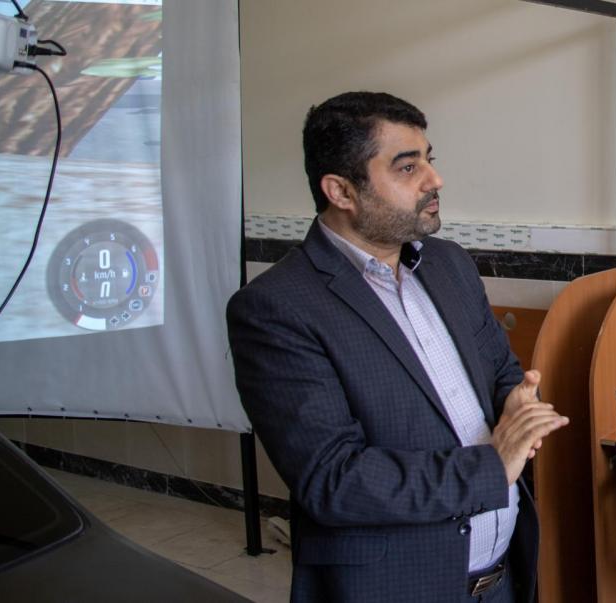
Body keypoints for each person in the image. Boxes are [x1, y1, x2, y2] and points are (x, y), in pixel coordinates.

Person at [227, 91, 568, 603]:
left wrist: (517, 403)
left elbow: (500, 370)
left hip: (503, 578)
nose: (435, 180)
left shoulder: (449, 264)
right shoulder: (276, 308)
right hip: (398, 586)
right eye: (408, 168)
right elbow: (334, 479)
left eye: (429, 159)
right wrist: (493, 466)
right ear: (341, 191)